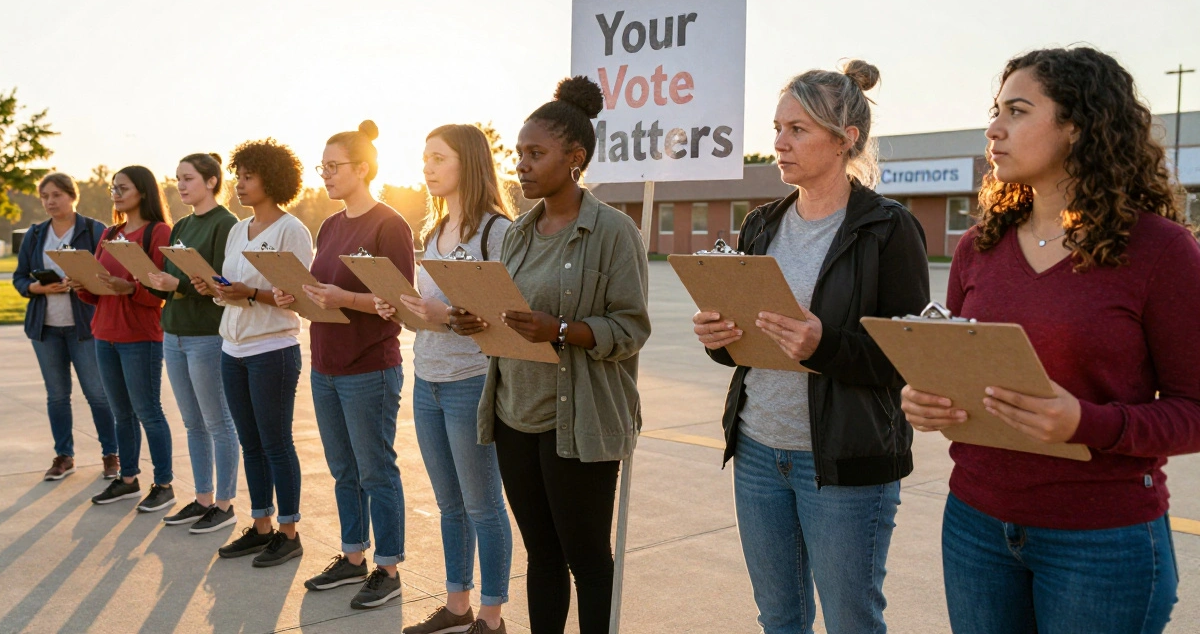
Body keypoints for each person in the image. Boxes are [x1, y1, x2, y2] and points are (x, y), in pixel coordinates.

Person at [900, 47, 1200, 634]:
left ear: (1077, 127)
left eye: (1016, 111)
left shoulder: (1161, 251)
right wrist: (926, 399)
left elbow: (1195, 410)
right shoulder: (978, 245)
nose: (994, 129)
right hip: (975, 525)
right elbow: (960, 364)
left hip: (1102, 543)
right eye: (996, 110)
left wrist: (1086, 424)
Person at [692, 61, 929, 634]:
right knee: (779, 617)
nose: (779, 143)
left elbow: (911, 358)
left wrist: (825, 347)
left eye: (797, 129)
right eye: (777, 128)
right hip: (756, 452)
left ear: (846, 139)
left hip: (845, 465)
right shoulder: (761, 224)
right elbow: (747, 342)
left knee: (851, 621)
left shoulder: (889, 228)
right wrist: (718, 341)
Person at [449, 77, 650, 634]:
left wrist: (561, 330)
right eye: (519, 154)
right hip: (516, 415)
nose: (523, 166)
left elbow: (630, 329)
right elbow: (511, 313)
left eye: (536, 154)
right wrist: (477, 321)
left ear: (575, 158)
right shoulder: (516, 233)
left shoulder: (614, 232)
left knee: (586, 558)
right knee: (541, 554)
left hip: (579, 421)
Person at [375, 124, 515, 634]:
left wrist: (445, 312)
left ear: (468, 165)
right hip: (426, 377)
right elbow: (428, 312)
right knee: (449, 503)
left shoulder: (497, 232)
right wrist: (403, 307)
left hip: (470, 382)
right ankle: (457, 606)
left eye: (438, 158)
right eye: (425, 157)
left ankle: (491, 616)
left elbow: (506, 317)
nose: (427, 167)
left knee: (482, 503)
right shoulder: (432, 234)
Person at [291, 121, 415, 610]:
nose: (325, 175)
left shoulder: (389, 224)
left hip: (370, 367)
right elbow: (322, 291)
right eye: (321, 167)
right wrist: (295, 293)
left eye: (333, 166)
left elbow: (401, 300)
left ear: (362, 169)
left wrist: (345, 297)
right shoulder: (330, 225)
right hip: (326, 364)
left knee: (375, 470)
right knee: (343, 469)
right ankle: (352, 556)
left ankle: (389, 568)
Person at [208, 139, 313, 568]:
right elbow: (231, 291)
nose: (239, 184)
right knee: (250, 442)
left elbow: (300, 296)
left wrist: (249, 292)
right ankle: (262, 526)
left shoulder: (292, 231)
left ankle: (289, 533)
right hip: (231, 349)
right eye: (238, 175)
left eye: (248, 176)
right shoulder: (237, 230)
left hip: (273, 350)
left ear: (272, 180)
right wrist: (214, 289)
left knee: (275, 442)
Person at [147, 153, 241, 534]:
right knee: (192, 422)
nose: (180, 186)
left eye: (188, 179)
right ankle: (202, 498)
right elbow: (172, 276)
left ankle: (224, 504)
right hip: (174, 332)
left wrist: (180, 285)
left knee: (218, 422)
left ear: (212, 181)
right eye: (178, 179)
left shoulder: (225, 223)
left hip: (206, 335)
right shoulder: (181, 224)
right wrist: (158, 281)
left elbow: (222, 281)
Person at [78, 166, 175, 513]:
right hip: (105, 335)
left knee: (148, 411)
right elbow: (99, 294)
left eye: (123, 187)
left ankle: (164, 484)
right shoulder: (110, 233)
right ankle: (128, 479)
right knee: (121, 413)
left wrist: (131, 288)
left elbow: (160, 293)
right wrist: (84, 285)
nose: (116, 193)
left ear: (143, 192)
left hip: (140, 337)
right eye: (113, 188)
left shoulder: (158, 232)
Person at [13, 172, 119, 482]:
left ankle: (111, 455)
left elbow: (108, 273)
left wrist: (81, 280)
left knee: (98, 394)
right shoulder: (34, 235)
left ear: (72, 196)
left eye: (56, 195)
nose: (50, 201)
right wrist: (41, 289)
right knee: (57, 396)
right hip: (46, 329)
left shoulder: (94, 230)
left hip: (85, 328)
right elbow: (19, 278)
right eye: (45, 196)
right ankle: (64, 456)